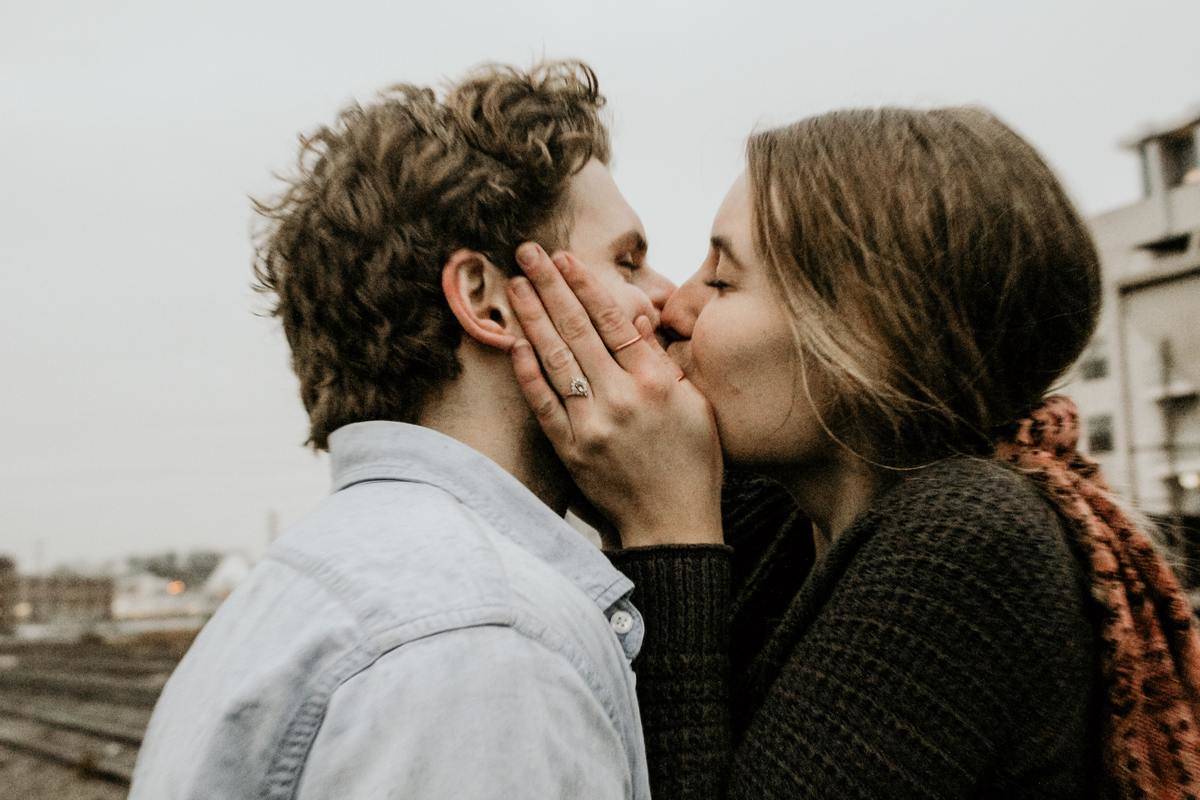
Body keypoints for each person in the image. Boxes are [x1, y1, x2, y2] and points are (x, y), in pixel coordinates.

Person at [504, 107, 1200, 799]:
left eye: (721, 281)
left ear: (862, 335)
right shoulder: (783, 520)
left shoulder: (970, 539)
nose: (673, 308)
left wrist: (667, 533)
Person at [129, 60, 675, 799]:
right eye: (629, 261)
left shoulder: (293, 588)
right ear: (487, 302)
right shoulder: (487, 645)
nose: (667, 301)